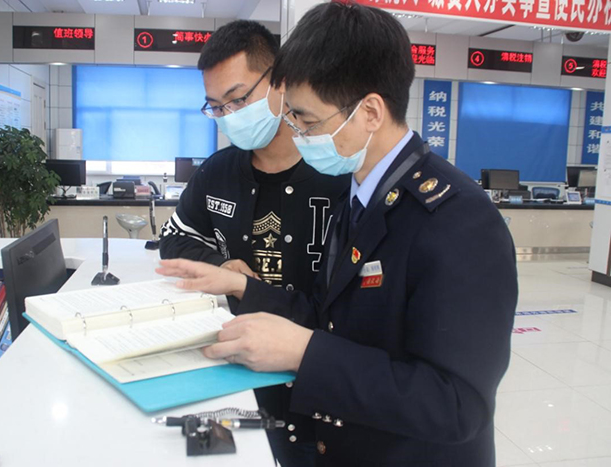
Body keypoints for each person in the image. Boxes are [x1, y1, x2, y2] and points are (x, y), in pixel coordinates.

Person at [157, 2, 518, 466]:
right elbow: (330, 317)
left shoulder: (457, 220)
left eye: (308, 121)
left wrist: (305, 353)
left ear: (370, 111)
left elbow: (456, 405)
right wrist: (242, 286)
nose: (296, 133)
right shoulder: (361, 195)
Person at [158, 20, 349, 466]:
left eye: (239, 99)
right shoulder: (218, 172)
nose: (229, 116)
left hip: (315, 390)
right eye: (216, 107)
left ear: (280, 82)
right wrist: (221, 265)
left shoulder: (338, 175)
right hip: (234, 377)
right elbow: (174, 238)